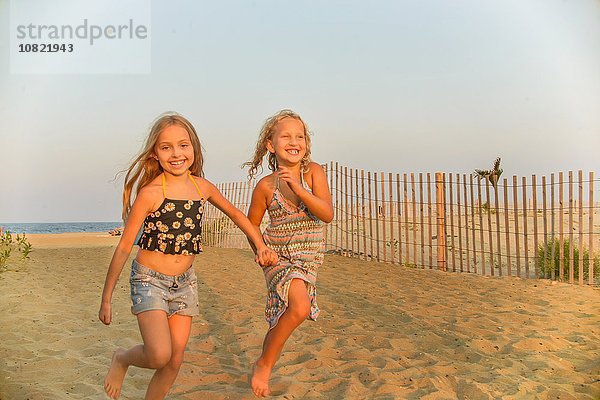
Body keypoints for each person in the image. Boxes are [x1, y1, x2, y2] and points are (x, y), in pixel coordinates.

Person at [99, 112, 277, 400]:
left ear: (193, 148)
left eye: (183, 145)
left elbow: (236, 215)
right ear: (155, 154)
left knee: (175, 360)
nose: (176, 153)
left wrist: (260, 245)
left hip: (185, 283)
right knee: (158, 355)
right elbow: (123, 247)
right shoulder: (151, 192)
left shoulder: (201, 188)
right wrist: (106, 298)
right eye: (166, 147)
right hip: (149, 281)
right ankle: (122, 358)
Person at [244, 109, 333, 397]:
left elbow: (326, 213)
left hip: (308, 258)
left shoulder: (313, 172)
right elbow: (252, 225)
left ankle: (264, 359)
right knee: (300, 307)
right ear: (271, 145)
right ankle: (264, 365)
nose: (294, 141)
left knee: (294, 311)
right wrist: (261, 249)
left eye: (300, 136)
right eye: (286, 136)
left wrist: (299, 188)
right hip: (279, 258)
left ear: (306, 143)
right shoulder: (266, 186)